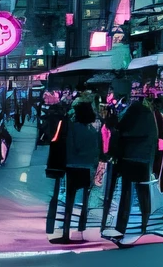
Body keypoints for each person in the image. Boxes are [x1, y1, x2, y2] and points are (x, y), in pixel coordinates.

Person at [104, 96, 159, 246]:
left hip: (128, 159)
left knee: (126, 196)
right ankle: (145, 225)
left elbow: (120, 130)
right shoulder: (149, 120)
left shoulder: (131, 115)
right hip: (143, 160)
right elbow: (154, 141)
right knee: (143, 193)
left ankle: (120, 228)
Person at [54, 102, 102, 243]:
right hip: (88, 167)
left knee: (69, 199)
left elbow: (69, 146)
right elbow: (97, 151)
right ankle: (81, 231)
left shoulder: (73, 129)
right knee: (85, 201)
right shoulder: (93, 131)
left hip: (73, 165)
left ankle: (66, 231)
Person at [43, 101, 70, 242]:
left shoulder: (49, 120)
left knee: (52, 192)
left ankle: (50, 226)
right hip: (60, 155)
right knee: (57, 191)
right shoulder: (64, 121)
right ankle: (53, 227)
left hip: (52, 156)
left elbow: (49, 137)